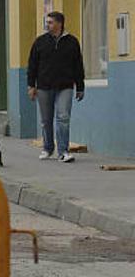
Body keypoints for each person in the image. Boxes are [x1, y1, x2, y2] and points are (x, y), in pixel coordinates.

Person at [27, 11, 85, 163]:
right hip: (44, 87)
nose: (47, 25)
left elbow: (78, 65)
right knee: (46, 120)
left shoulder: (72, 42)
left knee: (63, 118)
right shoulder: (40, 42)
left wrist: (80, 86)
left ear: (60, 23)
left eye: (50, 22)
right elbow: (32, 65)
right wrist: (31, 85)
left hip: (65, 86)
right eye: (47, 22)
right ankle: (47, 148)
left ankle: (63, 151)